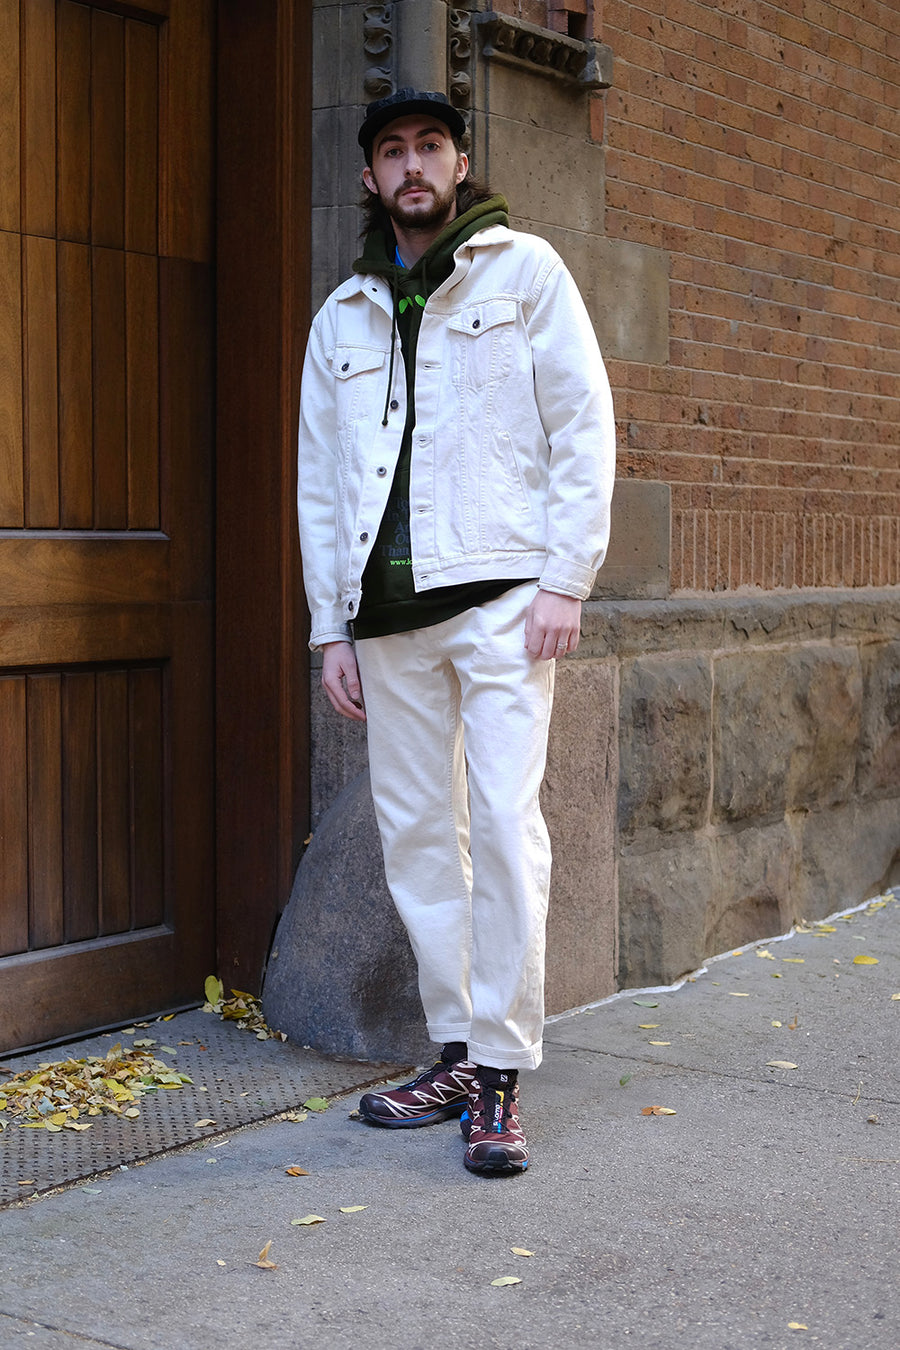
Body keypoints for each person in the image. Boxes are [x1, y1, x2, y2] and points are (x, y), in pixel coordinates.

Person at [297, 87, 615, 1176]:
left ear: (461, 159)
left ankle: (503, 1075)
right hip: (386, 625)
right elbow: (321, 488)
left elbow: (581, 422)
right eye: (394, 151)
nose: (414, 164)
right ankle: (453, 1050)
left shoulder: (525, 272)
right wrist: (327, 628)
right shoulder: (341, 313)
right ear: (371, 178)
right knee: (422, 841)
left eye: (431, 144)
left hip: (501, 605)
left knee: (505, 826)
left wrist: (566, 580)